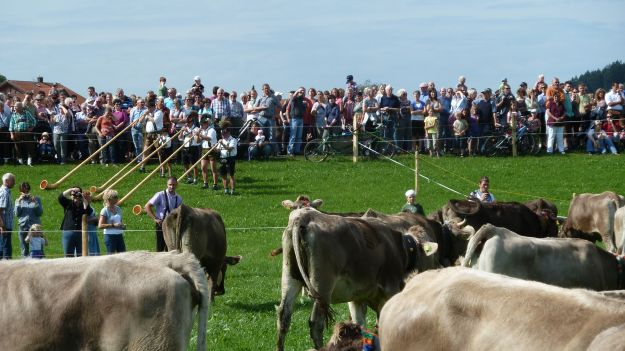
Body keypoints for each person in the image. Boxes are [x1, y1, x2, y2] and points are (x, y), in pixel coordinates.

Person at [144, 177, 182, 252]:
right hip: (161, 224)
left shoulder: (179, 198)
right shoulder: (160, 195)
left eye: (173, 185)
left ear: (176, 185)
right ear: (167, 185)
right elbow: (147, 206)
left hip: (172, 225)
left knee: (171, 248)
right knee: (160, 248)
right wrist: (155, 218)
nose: (172, 186)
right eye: (170, 184)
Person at [59, 186, 94, 257]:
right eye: (73, 193)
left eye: (78, 193)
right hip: (68, 231)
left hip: (80, 233)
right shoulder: (68, 203)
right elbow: (61, 197)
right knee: (68, 255)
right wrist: (71, 190)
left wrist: (83, 198)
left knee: (81, 255)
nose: (75, 195)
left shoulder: (83, 204)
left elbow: (88, 210)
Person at [14, 182, 43, 257]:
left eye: (27, 191)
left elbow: (39, 213)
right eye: (24, 192)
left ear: (29, 190)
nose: (26, 193)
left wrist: (35, 203)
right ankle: (24, 266)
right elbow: (17, 214)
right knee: (24, 249)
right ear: (20, 192)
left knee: (39, 248)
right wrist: (19, 202)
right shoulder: (18, 200)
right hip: (23, 227)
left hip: (35, 228)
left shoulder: (36, 199)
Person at [98, 189, 126, 254]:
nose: (117, 198)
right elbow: (100, 225)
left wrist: (122, 226)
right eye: (115, 197)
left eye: (117, 197)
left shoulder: (118, 209)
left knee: (123, 255)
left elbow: (120, 222)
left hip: (119, 235)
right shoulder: (104, 210)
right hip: (109, 236)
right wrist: (113, 225)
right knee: (111, 256)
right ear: (109, 199)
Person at [217, 121, 238, 195]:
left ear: (228, 133)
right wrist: (212, 146)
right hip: (222, 158)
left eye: (224, 134)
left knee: (231, 175)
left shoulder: (233, 140)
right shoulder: (221, 140)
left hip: (230, 158)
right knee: (223, 174)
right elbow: (217, 149)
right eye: (222, 134)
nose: (223, 135)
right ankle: (226, 189)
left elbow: (229, 149)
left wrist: (222, 143)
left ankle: (233, 190)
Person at [0, 173, 16, 259]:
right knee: (6, 250)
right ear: (6, 181)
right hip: (4, 226)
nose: (14, 182)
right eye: (13, 180)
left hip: (6, 226)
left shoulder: (6, 192)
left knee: (4, 248)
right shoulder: (4, 193)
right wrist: (2, 227)